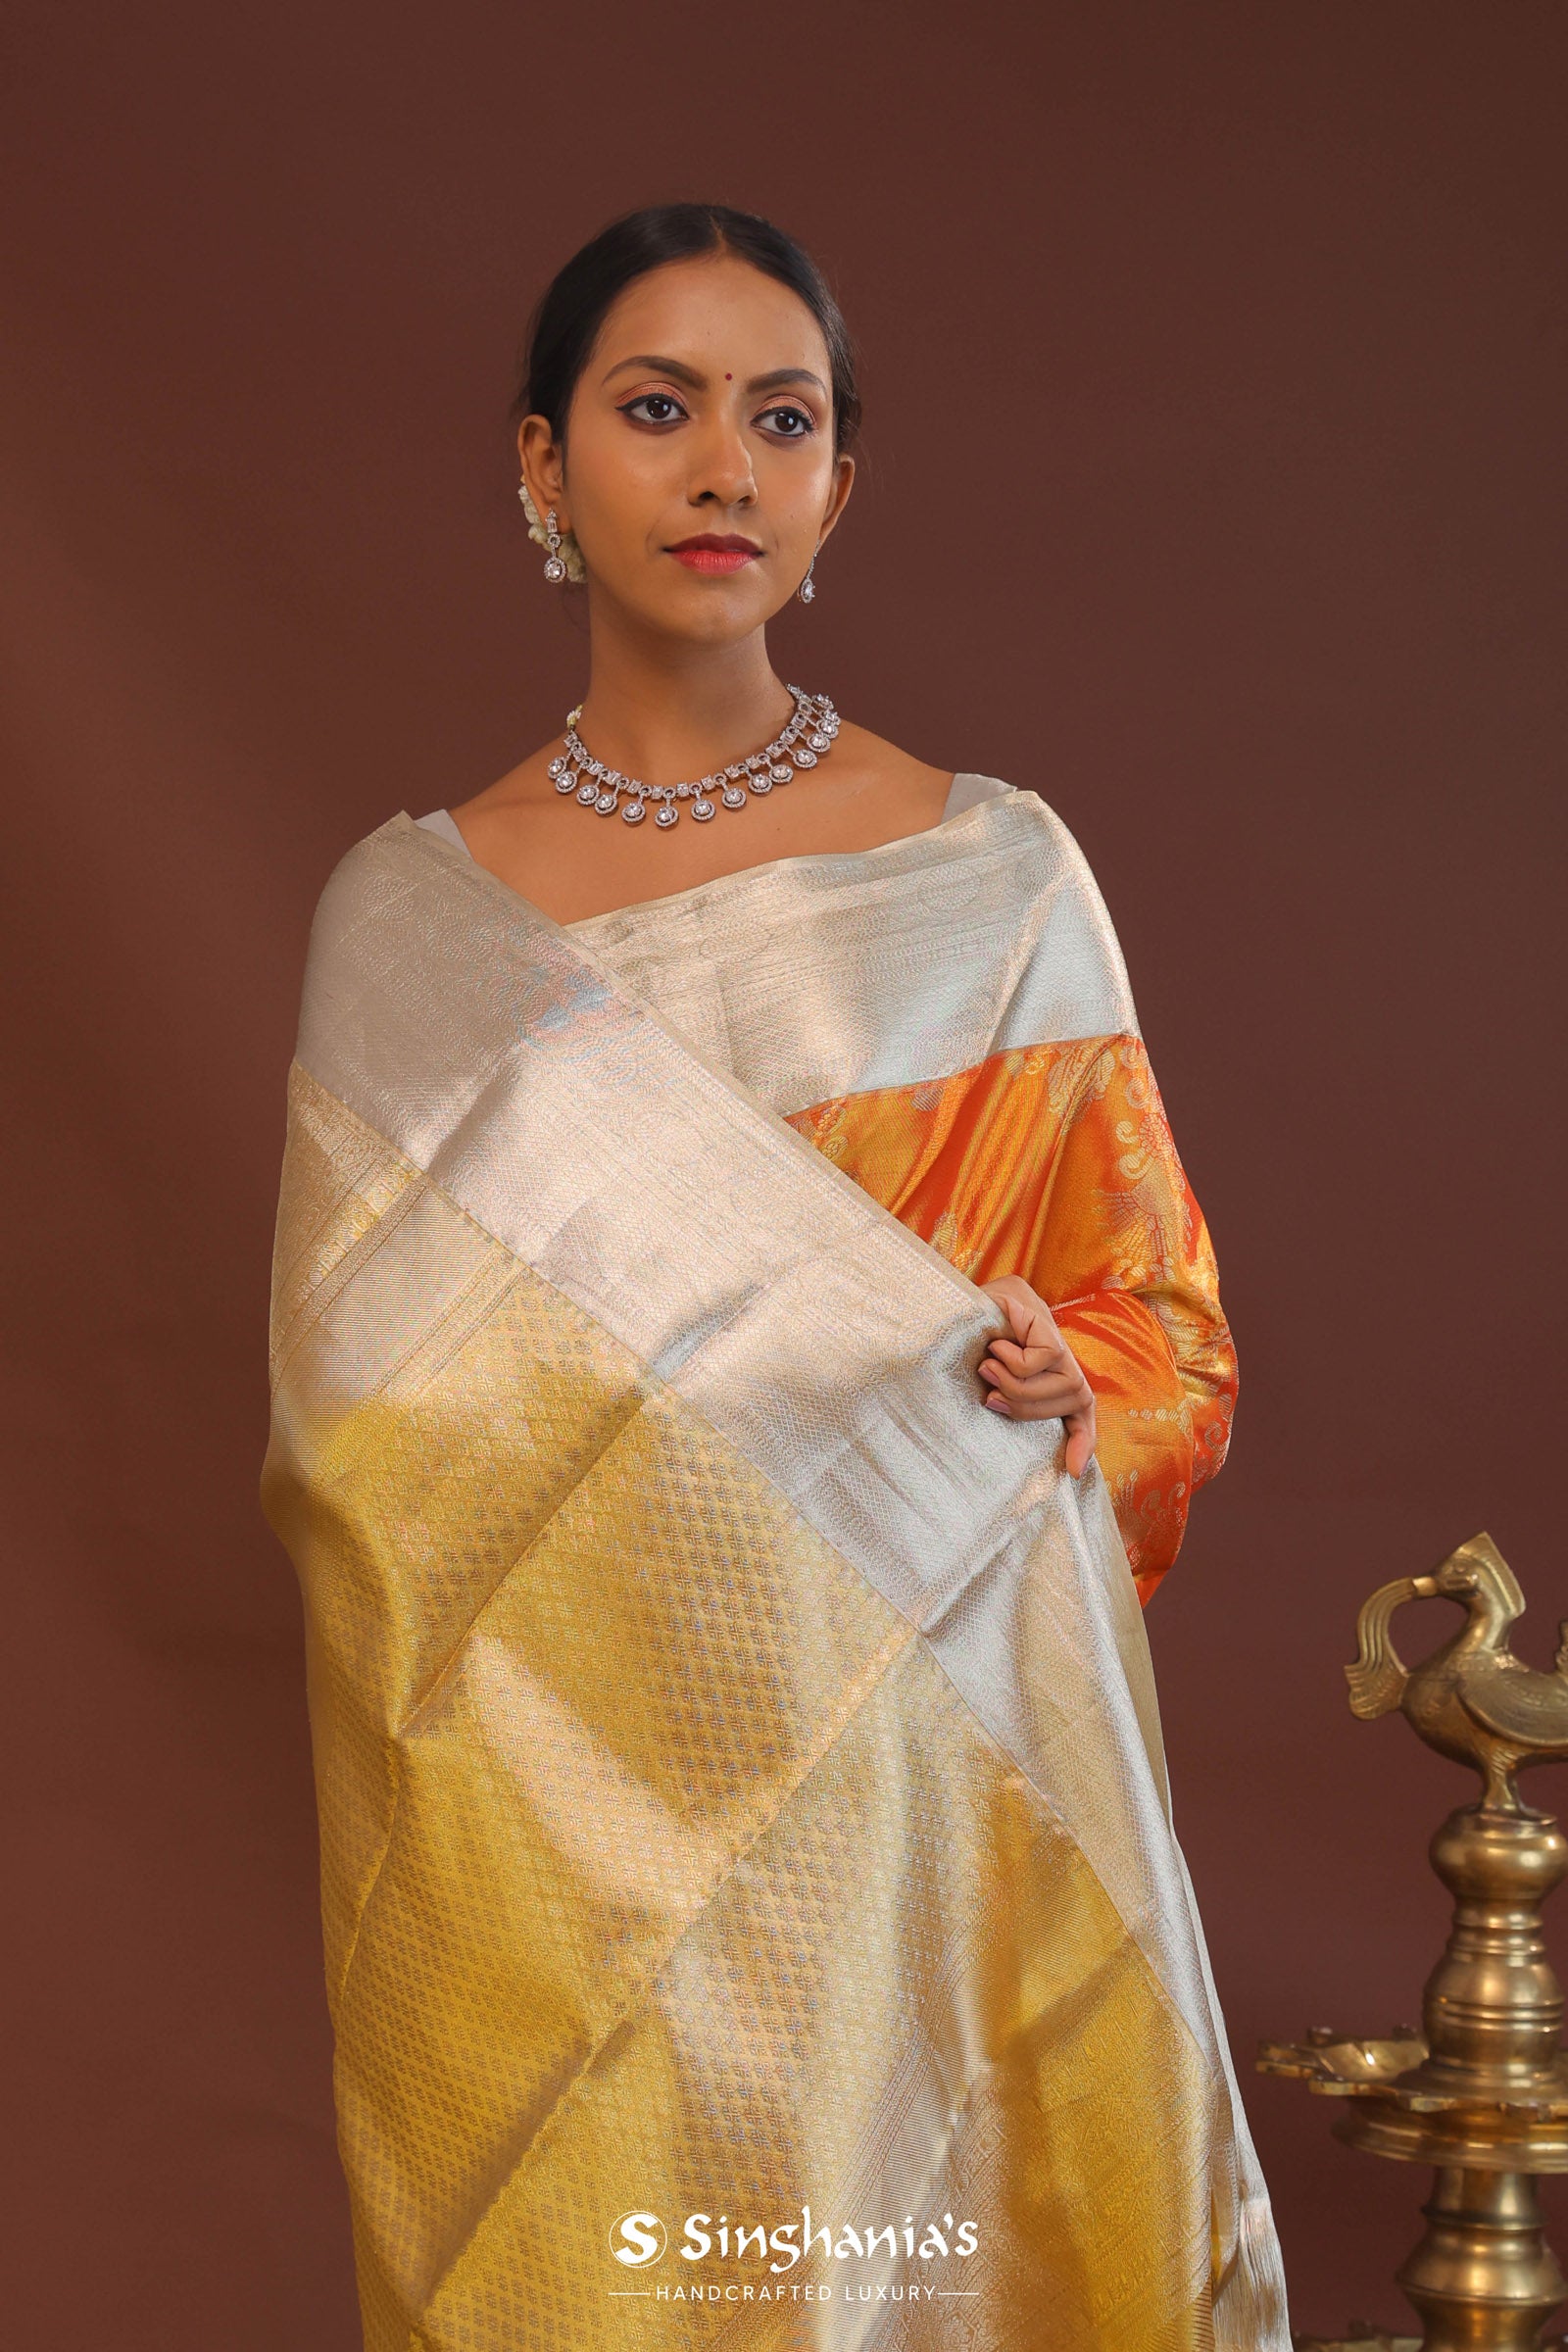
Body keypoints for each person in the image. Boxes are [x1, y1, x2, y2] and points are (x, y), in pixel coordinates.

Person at [264, 203, 1289, 2349]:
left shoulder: (989, 879)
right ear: (542, 464)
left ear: (839, 487)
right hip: (555, 1828)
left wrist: (1058, 1384)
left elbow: (1160, 1334)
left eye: (783, 418)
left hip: (916, 1801)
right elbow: (361, 1448)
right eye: (657, 410)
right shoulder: (413, 932)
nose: (723, 467)